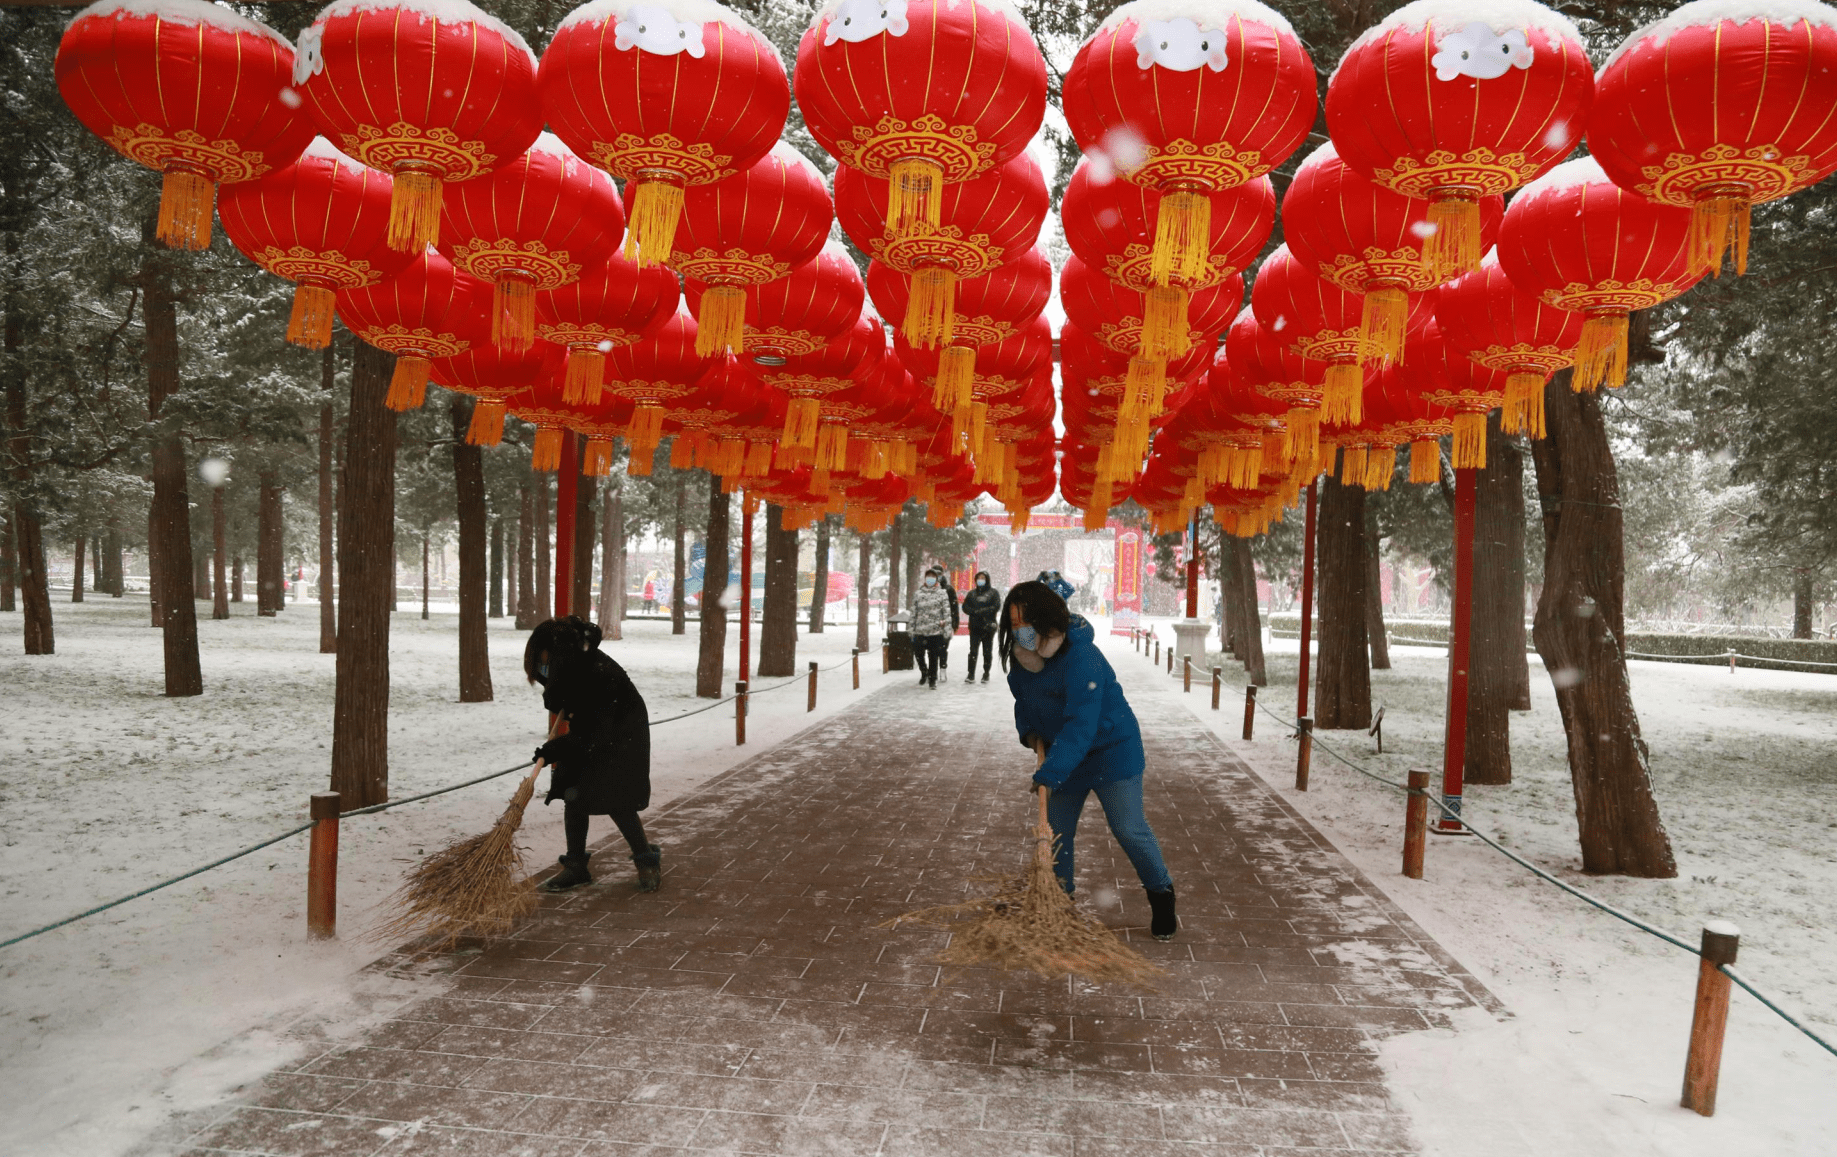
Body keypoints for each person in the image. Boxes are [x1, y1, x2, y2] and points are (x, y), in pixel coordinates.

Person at [1001, 581, 1176, 940]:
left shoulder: (1083, 658)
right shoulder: (1023, 662)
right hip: (1064, 757)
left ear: (1047, 619)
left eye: (1026, 621)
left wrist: (1051, 772)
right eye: (1014, 623)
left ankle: (1162, 896)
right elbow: (1024, 704)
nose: (1021, 630)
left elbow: (1082, 723)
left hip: (1112, 751)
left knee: (1128, 828)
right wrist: (1030, 733)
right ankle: (1059, 905)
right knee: (1058, 835)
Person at [524, 616, 662, 893]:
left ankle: (646, 860)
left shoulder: (596, 672)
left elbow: (596, 731)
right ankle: (576, 866)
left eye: (545, 661)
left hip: (622, 736)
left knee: (617, 798)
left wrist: (558, 748)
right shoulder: (573, 664)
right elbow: (579, 716)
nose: (543, 668)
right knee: (574, 792)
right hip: (595, 733)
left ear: (557, 653)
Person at [909, 567, 952, 689]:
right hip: (920, 630)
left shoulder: (942, 593)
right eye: (928, 577)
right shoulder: (918, 594)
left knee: (933, 656)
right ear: (925, 578)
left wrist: (947, 628)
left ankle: (933, 679)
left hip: (935, 630)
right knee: (918, 654)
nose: (930, 579)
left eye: (933, 577)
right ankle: (924, 672)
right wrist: (911, 629)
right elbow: (913, 612)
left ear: (936, 579)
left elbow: (947, 612)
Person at [962, 570, 1001, 683]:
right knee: (973, 651)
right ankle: (971, 674)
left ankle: (986, 673)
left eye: (983, 578)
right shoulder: (972, 594)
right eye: (979, 578)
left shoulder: (993, 593)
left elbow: (996, 606)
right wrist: (974, 612)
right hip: (974, 626)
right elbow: (965, 606)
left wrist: (984, 611)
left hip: (988, 626)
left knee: (987, 651)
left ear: (987, 579)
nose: (980, 580)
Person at [937, 570, 961, 682]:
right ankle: (931, 672)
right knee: (932, 650)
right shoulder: (927, 590)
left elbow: (954, 608)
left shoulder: (949, 589)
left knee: (943, 648)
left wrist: (955, 623)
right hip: (931, 624)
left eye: (939, 574)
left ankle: (942, 669)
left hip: (946, 623)